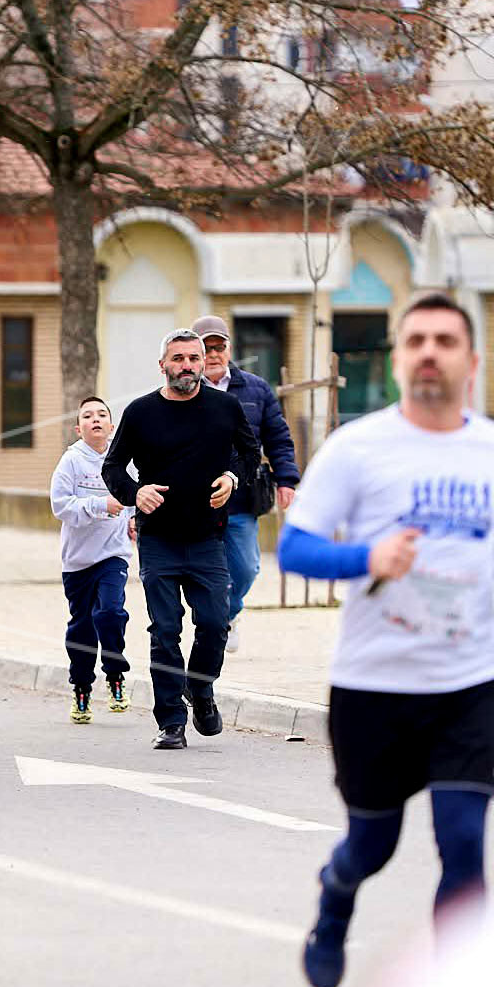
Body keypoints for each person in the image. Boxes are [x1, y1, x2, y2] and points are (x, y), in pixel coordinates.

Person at [277, 293, 494, 987]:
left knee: (463, 842)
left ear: (472, 359)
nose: (430, 351)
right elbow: (295, 547)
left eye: (445, 340)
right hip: (373, 683)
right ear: (400, 359)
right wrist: (366, 558)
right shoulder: (358, 447)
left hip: (466, 682)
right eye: (417, 340)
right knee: (373, 843)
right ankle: (335, 897)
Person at [102, 328, 261, 749]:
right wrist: (135, 492)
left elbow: (250, 454)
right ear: (163, 365)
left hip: (209, 538)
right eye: (179, 359)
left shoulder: (225, 407)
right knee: (165, 629)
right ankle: (171, 720)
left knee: (213, 624)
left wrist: (232, 477)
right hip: (159, 540)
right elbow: (113, 467)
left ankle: (202, 690)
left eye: (194, 358)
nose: (187, 366)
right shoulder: (140, 412)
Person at [193, 316, 301, 652]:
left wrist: (287, 480)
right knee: (199, 570)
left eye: (219, 347)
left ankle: (228, 614)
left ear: (229, 348)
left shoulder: (256, 388)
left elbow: (278, 437)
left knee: (246, 567)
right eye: (205, 348)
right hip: (195, 499)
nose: (213, 354)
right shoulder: (183, 389)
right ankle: (208, 625)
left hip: (242, 496)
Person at [50, 396, 133, 723]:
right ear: (78, 427)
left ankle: (115, 674)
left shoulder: (123, 458)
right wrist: (99, 506)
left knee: (110, 613)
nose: (95, 419)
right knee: (82, 628)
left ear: (111, 425)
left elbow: (135, 495)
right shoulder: (71, 461)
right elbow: (60, 506)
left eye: (102, 414)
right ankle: (81, 687)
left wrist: (133, 517)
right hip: (78, 561)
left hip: (114, 554)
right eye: (88, 415)